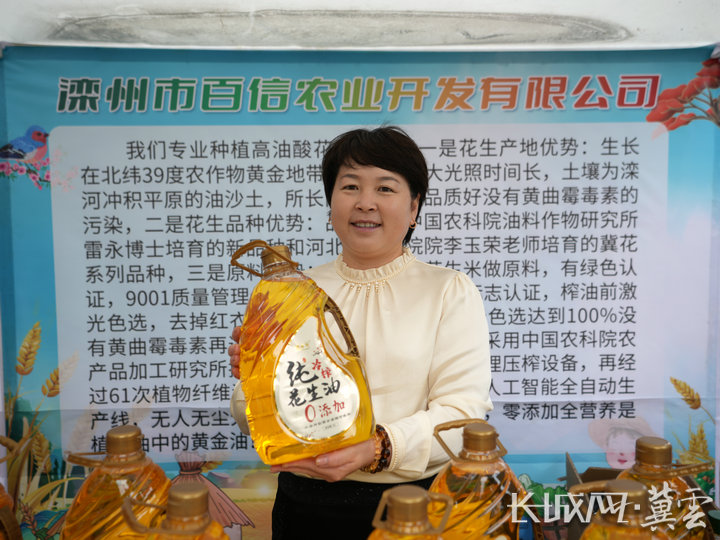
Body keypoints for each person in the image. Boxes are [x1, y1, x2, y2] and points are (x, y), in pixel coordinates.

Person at [228, 125, 492, 539]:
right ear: (331, 201)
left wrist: (377, 448)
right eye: (350, 186)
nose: (365, 202)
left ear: (414, 208)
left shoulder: (448, 291)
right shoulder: (289, 292)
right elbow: (248, 412)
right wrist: (255, 382)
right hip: (303, 505)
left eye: (385, 188)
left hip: (411, 509)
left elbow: (462, 416)